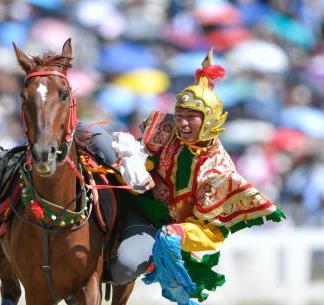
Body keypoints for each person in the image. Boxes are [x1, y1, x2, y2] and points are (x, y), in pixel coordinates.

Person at [105, 50, 285, 285]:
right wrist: (136, 167)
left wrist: (180, 232)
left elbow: (211, 232)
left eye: (191, 117)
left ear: (209, 120)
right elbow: (138, 155)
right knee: (96, 136)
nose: (182, 122)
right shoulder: (165, 129)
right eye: (180, 115)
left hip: (153, 226)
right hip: (122, 193)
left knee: (125, 268)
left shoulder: (218, 172)